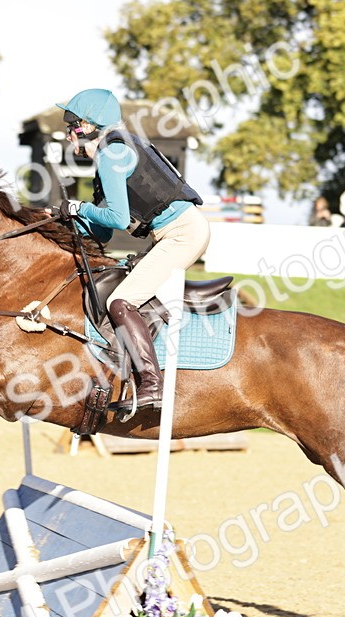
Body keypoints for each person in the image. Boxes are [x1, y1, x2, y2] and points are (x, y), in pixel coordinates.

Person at [56, 88, 209, 410]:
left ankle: (153, 385)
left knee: (121, 301)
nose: (68, 136)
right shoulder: (115, 150)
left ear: (86, 126)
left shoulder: (112, 155)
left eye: (70, 127)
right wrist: (63, 221)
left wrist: (78, 208)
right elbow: (104, 230)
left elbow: (116, 217)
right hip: (172, 233)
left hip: (182, 235)